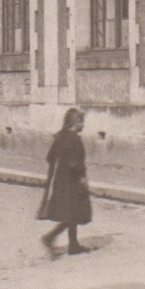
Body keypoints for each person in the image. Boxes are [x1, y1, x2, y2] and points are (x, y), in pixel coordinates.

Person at [39, 108, 92, 256]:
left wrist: (61, 166)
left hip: (60, 181)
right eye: (83, 122)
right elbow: (75, 164)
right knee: (73, 213)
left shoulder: (60, 136)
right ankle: (49, 238)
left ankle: (73, 245)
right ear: (77, 122)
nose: (84, 126)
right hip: (72, 182)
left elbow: (50, 158)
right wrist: (82, 177)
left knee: (71, 213)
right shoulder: (75, 139)